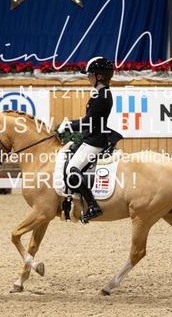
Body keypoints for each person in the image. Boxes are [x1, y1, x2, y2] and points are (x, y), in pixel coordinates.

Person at [58, 57, 114, 222]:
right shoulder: (101, 94)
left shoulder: (103, 96)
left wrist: (68, 126)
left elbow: (88, 121)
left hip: (94, 142)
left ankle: (93, 205)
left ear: (99, 77)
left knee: (72, 169)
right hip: (90, 139)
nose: (88, 77)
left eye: (91, 75)